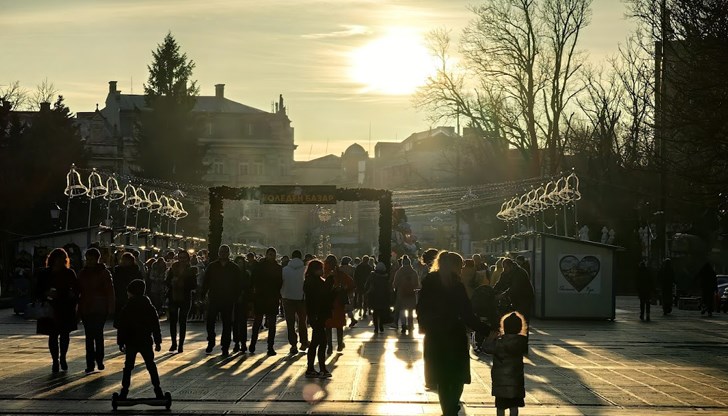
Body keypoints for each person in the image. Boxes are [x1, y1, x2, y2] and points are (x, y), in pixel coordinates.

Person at [417, 251, 490, 416]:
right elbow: (467, 313)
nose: (463, 269)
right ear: (456, 266)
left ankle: (447, 409)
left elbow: (420, 307)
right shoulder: (456, 285)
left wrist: (424, 325)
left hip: (435, 335)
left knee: (441, 377)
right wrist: (485, 330)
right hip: (454, 335)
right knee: (457, 375)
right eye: (462, 266)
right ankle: (452, 406)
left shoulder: (429, 281)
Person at [116, 279, 164, 400]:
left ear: (131, 292)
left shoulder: (127, 307)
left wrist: (120, 342)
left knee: (128, 367)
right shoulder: (149, 307)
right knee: (151, 365)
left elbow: (121, 326)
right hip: (145, 340)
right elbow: (155, 325)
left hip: (131, 341)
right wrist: (158, 341)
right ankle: (158, 390)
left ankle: (124, 391)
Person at [35, 248, 80, 373]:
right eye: (58, 258)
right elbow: (37, 291)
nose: (60, 261)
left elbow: (76, 289)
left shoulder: (69, 273)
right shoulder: (44, 273)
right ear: (53, 259)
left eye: (63, 258)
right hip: (50, 307)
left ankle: (63, 357)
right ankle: (55, 360)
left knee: (65, 334)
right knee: (53, 335)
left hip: (66, 307)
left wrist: (72, 295)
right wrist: (46, 293)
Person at [78, 248, 115, 373]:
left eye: (91, 259)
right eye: (87, 259)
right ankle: (90, 362)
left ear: (97, 259)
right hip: (86, 308)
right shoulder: (82, 273)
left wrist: (110, 307)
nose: (89, 262)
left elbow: (110, 291)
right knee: (89, 336)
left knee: (97, 334)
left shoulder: (103, 273)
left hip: (99, 307)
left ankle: (99, 359)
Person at [201, 244, 242, 357]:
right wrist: (203, 295)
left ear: (228, 253)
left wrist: (236, 296)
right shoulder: (212, 266)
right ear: (219, 253)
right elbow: (206, 281)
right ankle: (211, 340)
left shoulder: (234, 268)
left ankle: (225, 346)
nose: (223, 253)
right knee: (210, 322)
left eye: (225, 252)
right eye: (221, 251)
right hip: (214, 298)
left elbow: (238, 284)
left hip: (228, 299)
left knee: (227, 324)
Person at [491, 312, 528, 416]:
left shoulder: (499, 342)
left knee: (500, 407)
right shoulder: (521, 342)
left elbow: (487, 348)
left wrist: (490, 338)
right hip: (515, 381)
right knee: (514, 407)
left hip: (500, 382)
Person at [303, 260, 334, 378]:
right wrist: (330, 282)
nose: (322, 270)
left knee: (318, 341)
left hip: (320, 314)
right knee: (320, 341)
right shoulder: (311, 282)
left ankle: (316, 368)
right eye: (320, 268)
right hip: (316, 314)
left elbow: (326, 295)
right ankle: (318, 368)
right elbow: (320, 295)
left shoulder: (316, 280)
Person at [250, 247, 283, 356]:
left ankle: (270, 347)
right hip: (261, 298)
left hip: (272, 298)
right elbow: (253, 280)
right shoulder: (260, 266)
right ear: (266, 254)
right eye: (269, 254)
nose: (271, 256)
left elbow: (280, 283)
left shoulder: (278, 268)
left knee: (272, 325)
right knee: (257, 322)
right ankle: (253, 344)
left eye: (273, 254)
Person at [165, 250, 197, 353]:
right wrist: (172, 282)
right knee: (173, 321)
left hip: (185, 297)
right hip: (173, 297)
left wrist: (184, 284)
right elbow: (166, 282)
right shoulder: (173, 269)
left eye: (184, 257)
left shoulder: (191, 270)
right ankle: (174, 343)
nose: (182, 259)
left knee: (182, 321)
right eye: (180, 257)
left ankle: (181, 345)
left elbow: (194, 285)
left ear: (187, 259)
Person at [324, 255, 355, 353]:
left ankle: (329, 346)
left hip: (327, 303)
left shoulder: (324, 274)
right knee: (339, 325)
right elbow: (351, 284)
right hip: (338, 302)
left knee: (328, 326)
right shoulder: (340, 274)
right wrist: (345, 290)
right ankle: (340, 344)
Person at [281, 250, 309, 354]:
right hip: (301, 299)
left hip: (287, 298)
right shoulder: (305, 269)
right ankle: (304, 342)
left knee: (290, 322)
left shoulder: (285, 270)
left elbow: (281, 283)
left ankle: (293, 345)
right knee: (302, 321)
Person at [112, 252, 143, 327]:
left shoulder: (134, 272)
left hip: (130, 298)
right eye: (123, 260)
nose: (124, 262)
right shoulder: (117, 271)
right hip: (121, 298)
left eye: (126, 260)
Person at [393, 255, 419, 335]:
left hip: (401, 293)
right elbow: (417, 284)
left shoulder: (399, 272)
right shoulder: (413, 272)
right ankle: (410, 326)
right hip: (411, 294)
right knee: (410, 311)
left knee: (402, 310)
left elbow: (395, 283)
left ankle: (403, 325)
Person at [232, 255, 252, 353]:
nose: (239, 265)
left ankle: (243, 342)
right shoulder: (232, 274)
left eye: (241, 263)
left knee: (243, 323)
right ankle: (236, 342)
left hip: (243, 301)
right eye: (238, 263)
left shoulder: (246, 274)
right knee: (235, 323)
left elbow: (249, 288)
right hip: (234, 301)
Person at [366, 261, 392, 334]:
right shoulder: (386, 277)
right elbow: (388, 288)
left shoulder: (372, 275)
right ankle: (381, 325)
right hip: (383, 297)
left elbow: (367, 285)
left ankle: (376, 328)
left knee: (375, 312)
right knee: (381, 312)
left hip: (374, 296)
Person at [339, 256, 358, 327]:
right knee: (349, 304)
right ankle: (352, 319)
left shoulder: (339, 269)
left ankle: (349, 319)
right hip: (350, 288)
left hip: (341, 289)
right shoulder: (352, 269)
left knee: (342, 305)